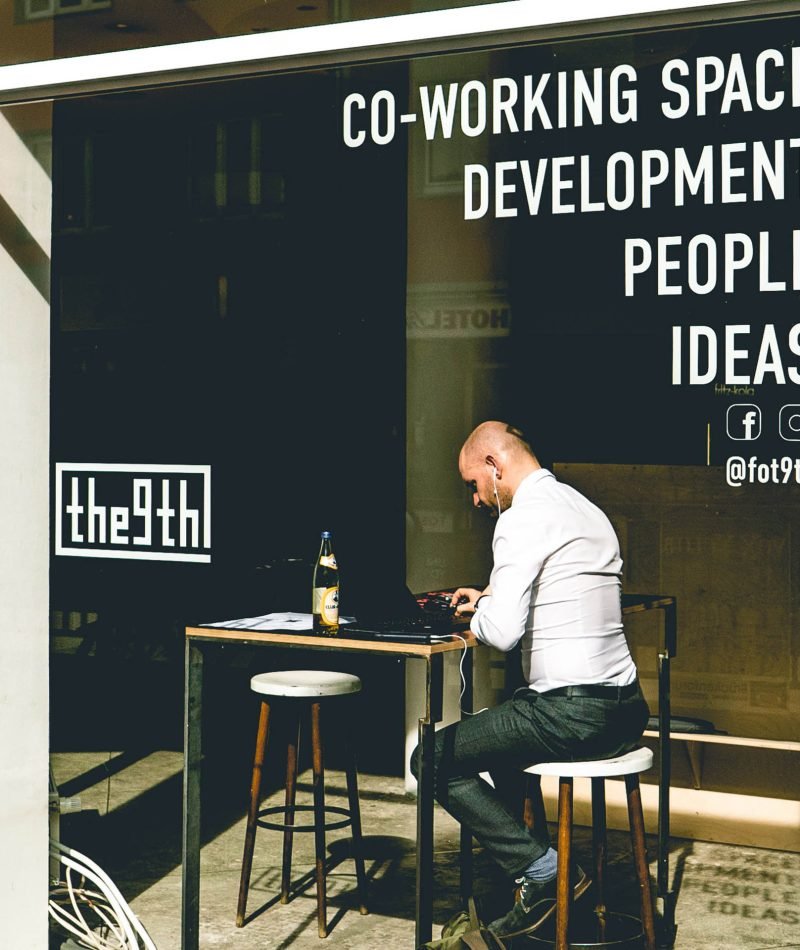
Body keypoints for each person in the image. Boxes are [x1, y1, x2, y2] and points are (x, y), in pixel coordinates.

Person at [411, 421, 649, 940]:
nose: (476, 499)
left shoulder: (520, 518)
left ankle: (543, 874)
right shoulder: (585, 509)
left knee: (429, 759)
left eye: (474, 484)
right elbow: (556, 588)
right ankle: (537, 874)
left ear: (494, 466)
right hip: (626, 710)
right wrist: (490, 597)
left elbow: (500, 634)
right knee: (502, 746)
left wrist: (478, 613)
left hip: (571, 714)